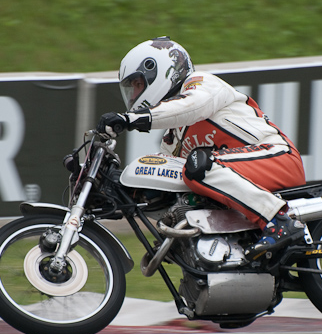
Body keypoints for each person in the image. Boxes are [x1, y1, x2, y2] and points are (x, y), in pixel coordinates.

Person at [97, 36, 307, 259]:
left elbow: (190, 107)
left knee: (199, 165)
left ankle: (278, 220)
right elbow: (170, 186)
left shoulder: (202, 83)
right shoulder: (171, 138)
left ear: (162, 72)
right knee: (190, 180)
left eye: (139, 84)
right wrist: (119, 187)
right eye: (132, 88)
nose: (135, 94)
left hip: (276, 158)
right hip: (246, 180)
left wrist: (130, 119)